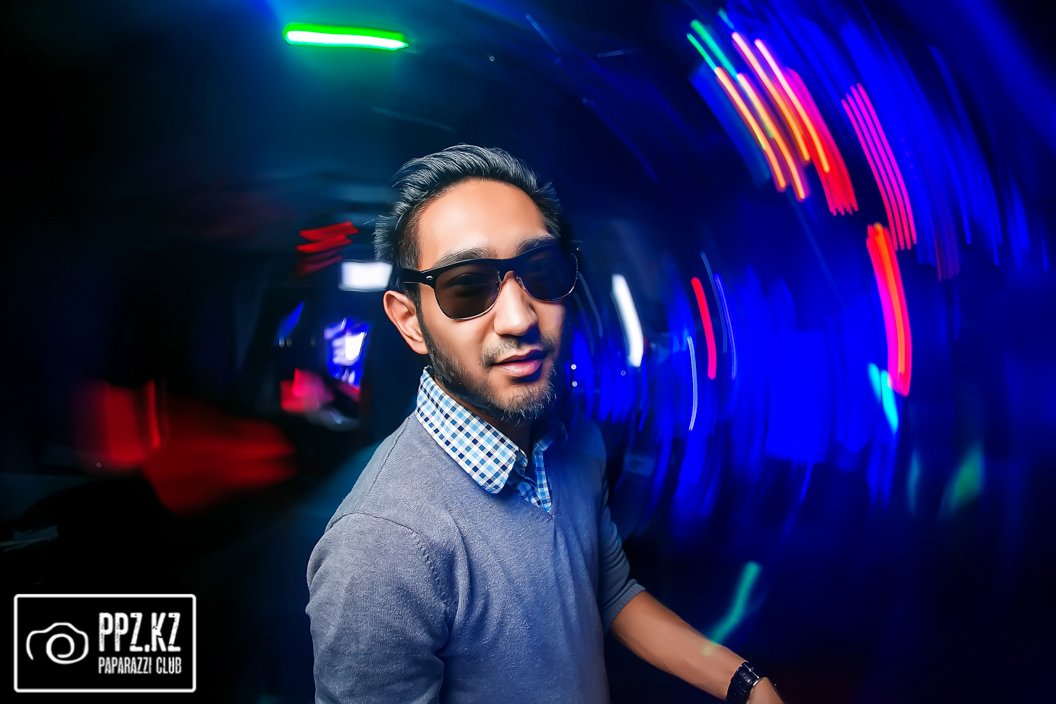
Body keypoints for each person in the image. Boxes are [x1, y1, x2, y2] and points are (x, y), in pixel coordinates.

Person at [305, 144, 784, 704]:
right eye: (467, 286)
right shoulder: (380, 545)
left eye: (540, 271)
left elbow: (610, 591)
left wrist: (745, 683)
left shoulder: (574, 442)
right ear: (410, 322)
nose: (520, 318)